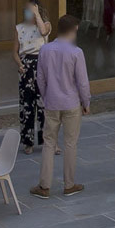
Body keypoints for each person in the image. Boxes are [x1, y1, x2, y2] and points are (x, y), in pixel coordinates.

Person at [33, 16, 90, 199]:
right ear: (73, 29)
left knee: (49, 143)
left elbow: (40, 78)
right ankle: (69, 184)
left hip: (51, 101)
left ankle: (44, 185)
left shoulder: (45, 50)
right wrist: (86, 102)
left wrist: (46, 95)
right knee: (70, 143)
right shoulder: (76, 52)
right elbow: (82, 82)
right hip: (71, 102)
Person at [14, 0, 52, 154]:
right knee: (27, 106)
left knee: (45, 106)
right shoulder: (19, 28)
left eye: (30, 10)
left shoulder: (46, 24)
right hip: (26, 66)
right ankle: (28, 142)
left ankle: (49, 141)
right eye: (26, 10)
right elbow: (15, 52)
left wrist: (37, 15)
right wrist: (19, 64)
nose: (27, 13)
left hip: (42, 64)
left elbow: (43, 32)